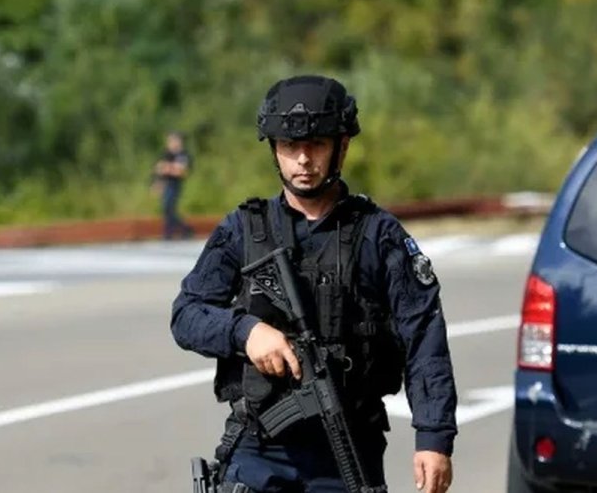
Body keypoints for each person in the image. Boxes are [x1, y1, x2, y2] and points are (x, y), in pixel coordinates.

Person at [170, 75, 457, 493]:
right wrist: (245, 332)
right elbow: (187, 313)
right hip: (260, 448)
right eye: (289, 147)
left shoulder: (378, 234)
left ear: (342, 146)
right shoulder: (243, 230)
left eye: (316, 145)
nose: (302, 159)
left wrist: (434, 437)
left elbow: (423, 336)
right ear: (274, 150)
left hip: (347, 451)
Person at [154, 130, 194, 239]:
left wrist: (167, 167)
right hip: (166, 183)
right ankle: (181, 230)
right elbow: (158, 168)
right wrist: (158, 182)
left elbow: (181, 172)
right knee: (166, 209)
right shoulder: (167, 154)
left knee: (169, 207)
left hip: (175, 184)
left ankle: (171, 233)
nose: (170, 144)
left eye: (172, 141)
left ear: (179, 141)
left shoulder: (183, 155)